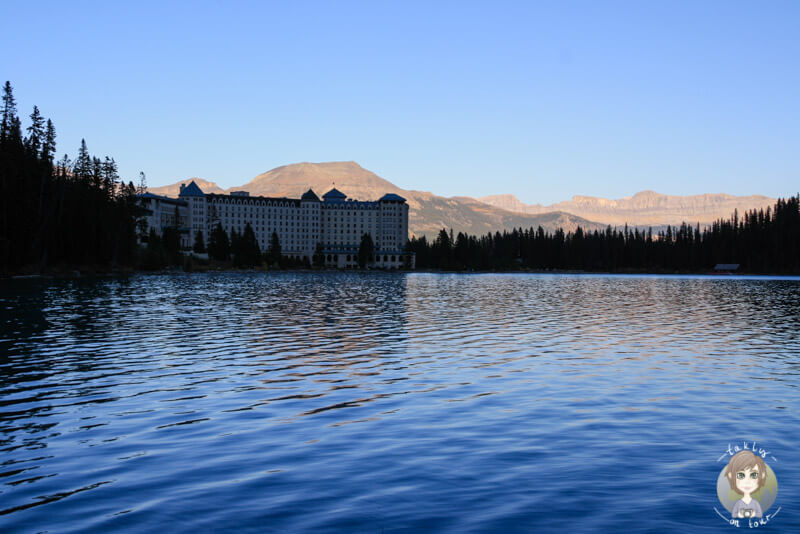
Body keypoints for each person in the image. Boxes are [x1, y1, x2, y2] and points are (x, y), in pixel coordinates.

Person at [724, 450, 766, 518]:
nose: (747, 481)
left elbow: (760, 514)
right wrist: (739, 515)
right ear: (731, 476)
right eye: (741, 475)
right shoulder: (738, 503)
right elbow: (733, 515)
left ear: (762, 476)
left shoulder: (755, 503)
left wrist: (754, 514)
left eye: (754, 475)